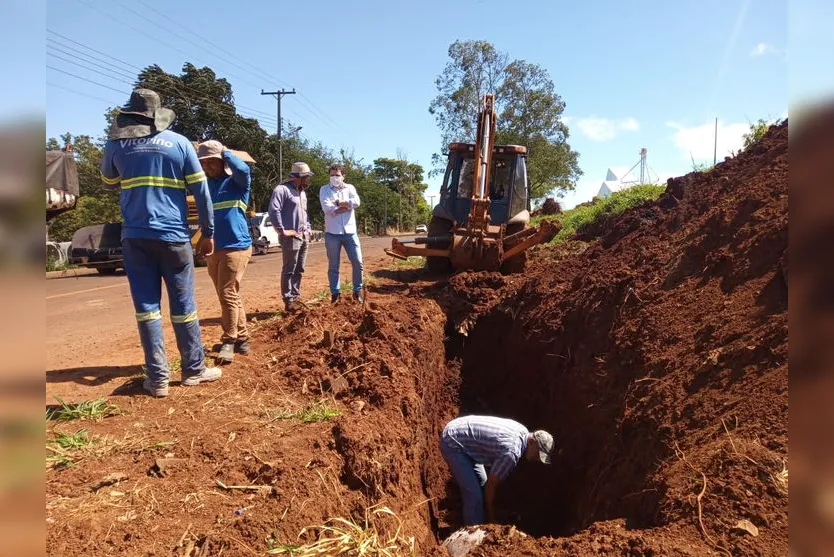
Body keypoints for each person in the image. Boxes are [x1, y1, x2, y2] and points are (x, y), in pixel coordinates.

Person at [99, 88, 221, 397]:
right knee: (183, 306)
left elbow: (108, 180)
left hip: (135, 236)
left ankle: (158, 380)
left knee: (146, 309)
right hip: (173, 236)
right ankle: (193, 370)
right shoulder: (179, 143)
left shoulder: (116, 144)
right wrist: (208, 232)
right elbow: (201, 191)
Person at [439, 415, 555, 526]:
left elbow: (488, 484)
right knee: (475, 496)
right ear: (531, 442)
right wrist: (492, 519)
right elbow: (491, 486)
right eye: (538, 454)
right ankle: (473, 531)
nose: (538, 459)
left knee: (482, 483)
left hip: (460, 431)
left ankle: (474, 513)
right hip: (453, 442)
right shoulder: (511, 453)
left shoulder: (523, 430)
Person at [197, 140, 252, 364]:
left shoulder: (237, 183)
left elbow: (243, 169)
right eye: (204, 163)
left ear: (222, 162)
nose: (208, 167)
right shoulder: (205, 186)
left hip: (236, 247)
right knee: (228, 295)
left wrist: (225, 152)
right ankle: (243, 338)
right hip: (214, 248)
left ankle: (229, 340)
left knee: (228, 293)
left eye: (212, 162)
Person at [268, 162, 313, 313]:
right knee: (289, 268)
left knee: (299, 268)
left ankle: (295, 297)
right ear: (299, 177)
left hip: (303, 236)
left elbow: (304, 213)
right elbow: (274, 210)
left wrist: (308, 227)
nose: (308, 180)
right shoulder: (282, 190)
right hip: (290, 237)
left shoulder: (302, 192)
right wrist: (282, 230)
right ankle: (288, 300)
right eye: (306, 177)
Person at [319, 164, 364, 303]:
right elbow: (327, 208)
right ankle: (335, 294)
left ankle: (357, 292)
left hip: (350, 232)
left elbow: (357, 202)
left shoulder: (350, 188)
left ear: (343, 176)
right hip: (332, 233)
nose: (334, 178)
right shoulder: (324, 190)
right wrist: (346, 207)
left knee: (358, 262)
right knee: (333, 265)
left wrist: (340, 202)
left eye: (337, 175)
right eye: (332, 175)